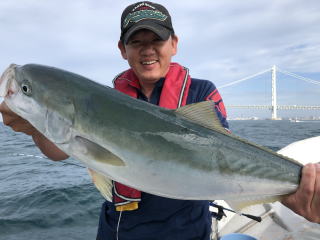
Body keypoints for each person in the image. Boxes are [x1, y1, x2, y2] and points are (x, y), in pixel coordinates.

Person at [0, 1, 319, 239]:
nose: (147, 50)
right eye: (136, 42)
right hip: (119, 229)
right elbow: (61, 149)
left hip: (185, 228)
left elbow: (222, 160)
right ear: (122, 49)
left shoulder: (201, 92)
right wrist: (34, 126)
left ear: (174, 44)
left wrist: (291, 189)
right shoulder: (111, 97)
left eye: (157, 40)